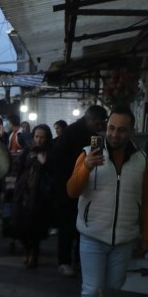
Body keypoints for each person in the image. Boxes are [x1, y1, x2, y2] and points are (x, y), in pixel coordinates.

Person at [67, 106, 148, 297]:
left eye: (121, 129)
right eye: (111, 128)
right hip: (93, 235)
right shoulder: (87, 153)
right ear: (106, 128)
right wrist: (86, 168)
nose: (115, 134)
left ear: (131, 131)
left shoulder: (141, 160)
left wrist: (147, 235)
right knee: (91, 291)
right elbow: (72, 191)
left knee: (112, 294)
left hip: (125, 239)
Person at [51, 105, 108, 277]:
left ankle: (78, 259)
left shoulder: (94, 134)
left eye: (103, 123)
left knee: (81, 225)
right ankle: (64, 261)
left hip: (84, 186)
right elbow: (59, 159)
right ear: (89, 119)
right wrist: (80, 169)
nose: (101, 125)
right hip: (67, 187)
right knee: (67, 226)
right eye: (98, 122)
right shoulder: (73, 132)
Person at [12, 124, 54, 268]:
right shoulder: (28, 150)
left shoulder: (50, 152)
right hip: (24, 192)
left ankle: (34, 252)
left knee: (35, 227)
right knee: (21, 226)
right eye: (36, 136)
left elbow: (54, 173)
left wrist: (44, 163)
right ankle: (26, 250)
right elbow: (20, 168)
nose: (39, 140)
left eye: (42, 137)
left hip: (39, 196)